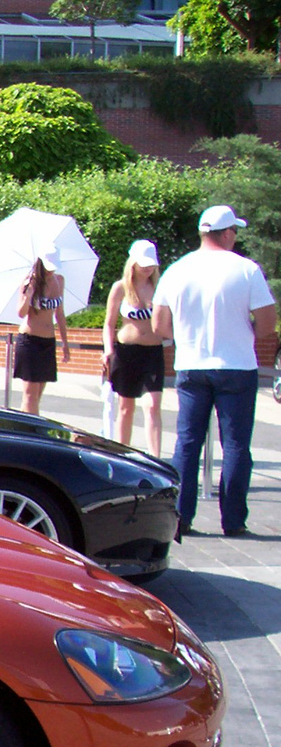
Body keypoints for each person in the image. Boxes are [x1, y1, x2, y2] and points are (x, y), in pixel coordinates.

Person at [153, 204, 277, 539]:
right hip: (236, 364)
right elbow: (267, 324)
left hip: (192, 364)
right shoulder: (246, 269)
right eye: (234, 231)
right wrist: (243, 328)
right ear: (225, 233)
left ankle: (181, 517)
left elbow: (161, 326)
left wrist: (190, 334)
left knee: (187, 443)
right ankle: (233, 519)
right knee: (236, 445)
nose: (236, 236)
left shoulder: (177, 270)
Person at [101, 239, 166, 456]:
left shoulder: (158, 288)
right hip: (126, 352)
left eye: (151, 265)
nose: (148, 269)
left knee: (153, 405)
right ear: (133, 263)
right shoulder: (120, 288)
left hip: (153, 353)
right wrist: (108, 350)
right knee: (125, 407)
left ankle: (155, 457)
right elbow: (109, 323)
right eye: (143, 264)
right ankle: (121, 454)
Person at [12, 250, 70, 414]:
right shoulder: (29, 282)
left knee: (37, 395)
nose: (51, 271)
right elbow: (21, 313)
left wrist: (65, 342)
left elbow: (59, 314)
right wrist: (28, 296)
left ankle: (25, 429)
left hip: (48, 342)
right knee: (30, 394)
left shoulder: (59, 281)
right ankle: (33, 432)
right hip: (30, 341)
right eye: (48, 267)